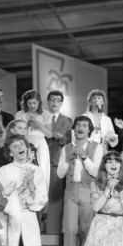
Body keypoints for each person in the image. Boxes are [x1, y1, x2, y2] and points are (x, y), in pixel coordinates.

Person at [57, 116, 103, 246]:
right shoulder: (67, 148)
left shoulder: (97, 147)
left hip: (88, 190)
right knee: (69, 230)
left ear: (89, 129)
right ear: (74, 128)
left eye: (85, 125)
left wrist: (84, 157)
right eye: (78, 125)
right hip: (70, 191)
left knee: (86, 230)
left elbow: (97, 173)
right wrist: (69, 159)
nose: (81, 128)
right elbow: (60, 174)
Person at [46, 90, 72, 234]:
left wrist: (58, 136)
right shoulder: (41, 118)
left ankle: (52, 233)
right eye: (52, 99)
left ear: (61, 103)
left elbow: (67, 141)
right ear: (47, 102)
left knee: (55, 200)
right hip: (38, 162)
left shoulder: (66, 120)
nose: (54, 102)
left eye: (57, 100)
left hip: (56, 162)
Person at [15, 90, 52, 191]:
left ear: (39, 102)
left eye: (34, 103)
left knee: (41, 171)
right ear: (25, 103)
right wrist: (28, 124)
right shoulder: (20, 114)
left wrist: (37, 123)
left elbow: (49, 134)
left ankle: (40, 196)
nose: (32, 106)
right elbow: (17, 132)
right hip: (25, 144)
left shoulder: (46, 114)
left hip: (40, 144)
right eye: (29, 103)